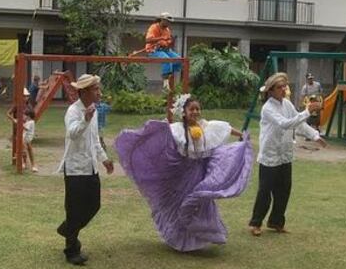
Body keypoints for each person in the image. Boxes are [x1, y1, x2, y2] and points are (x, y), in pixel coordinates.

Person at [115, 94, 253, 252]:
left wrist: (242, 136)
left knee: (201, 203)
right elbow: (165, 138)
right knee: (179, 204)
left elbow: (225, 129)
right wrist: (156, 129)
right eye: (191, 109)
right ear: (184, 112)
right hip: (183, 173)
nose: (195, 112)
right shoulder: (177, 129)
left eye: (197, 109)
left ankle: (199, 237)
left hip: (200, 172)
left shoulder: (206, 125)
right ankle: (180, 238)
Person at [248, 72, 326, 237]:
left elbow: (299, 124)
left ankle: (276, 222)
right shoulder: (268, 108)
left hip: (285, 153)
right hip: (270, 154)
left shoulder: (287, 104)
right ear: (270, 90)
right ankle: (256, 223)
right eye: (279, 87)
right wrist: (306, 111)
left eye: (285, 86)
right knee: (265, 191)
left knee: (284, 190)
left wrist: (316, 136)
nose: (283, 90)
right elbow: (285, 124)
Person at [56, 74, 114, 266]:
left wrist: (104, 159)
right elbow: (72, 133)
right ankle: (72, 250)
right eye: (96, 89)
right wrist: (85, 119)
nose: (100, 92)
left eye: (99, 88)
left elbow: (95, 139)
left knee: (94, 205)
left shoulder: (94, 110)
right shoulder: (73, 111)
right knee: (74, 210)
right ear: (85, 91)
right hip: (74, 168)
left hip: (90, 167)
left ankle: (67, 228)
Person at [145, 12, 181, 89]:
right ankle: (165, 81)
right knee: (167, 59)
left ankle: (169, 74)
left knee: (179, 60)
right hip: (153, 50)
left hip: (164, 50)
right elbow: (148, 40)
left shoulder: (167, 30)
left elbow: (167, 41)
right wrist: (161, 39)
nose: (169, 23)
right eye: (167, 21)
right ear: (162, 20)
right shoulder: (154, 27)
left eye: (170, 22)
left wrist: (169, 42)